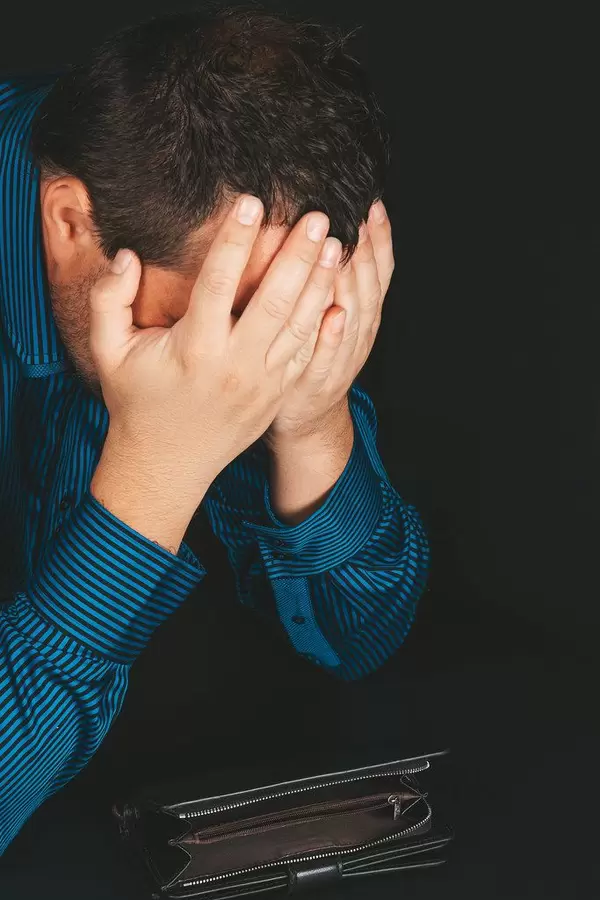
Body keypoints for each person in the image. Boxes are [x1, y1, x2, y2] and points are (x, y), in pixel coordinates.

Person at [0, 6, 429, 854]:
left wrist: (310, 425)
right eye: (212, 320)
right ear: (70, 225)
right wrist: (153, 475)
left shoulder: (231, 249)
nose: (240, 363)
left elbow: (356, 640)